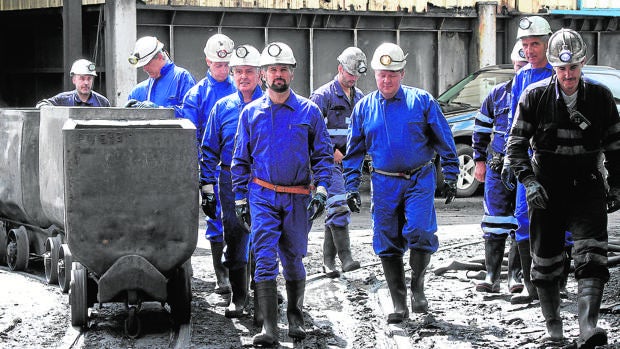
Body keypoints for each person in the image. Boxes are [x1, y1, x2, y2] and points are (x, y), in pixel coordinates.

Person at [506, 28, 619, 347]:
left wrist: (617, 186)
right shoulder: (535, 96)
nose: (568, 75)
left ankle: (587, 328)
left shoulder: (600, 97)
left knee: (591, 258)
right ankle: (553, 329)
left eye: (573, 68)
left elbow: (615, 147)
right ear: (554, 67)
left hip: (587, 186)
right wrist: (528, 182)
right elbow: (515, 145)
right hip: (547, 188)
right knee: (545, 263)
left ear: (583, 64)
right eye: (562, 69)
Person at [342, 43, 459, 323]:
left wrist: (452, 174)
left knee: (420, 228)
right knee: (386, 239)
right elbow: (354, 150)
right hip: (383, 182)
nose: (386, 80)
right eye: (382, 74)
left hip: (419, 177)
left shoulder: (421, 102)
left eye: (392, 74)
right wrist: (350, 185)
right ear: (374, 74)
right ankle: (399, 302)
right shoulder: (363, 109)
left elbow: (444, 138)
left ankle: (417, 287)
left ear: (402, 74)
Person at [231, 42, 333, 346]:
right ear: (263, 74)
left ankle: (294, 317)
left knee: (293, 258)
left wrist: (323, 189)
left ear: (292, 73)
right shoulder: (251, 114)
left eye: (284, 69)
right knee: (263, 259)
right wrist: (239, 199)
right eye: (273, 69)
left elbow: (324, 157)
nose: (278, 74)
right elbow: (240, 160)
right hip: (262, 194)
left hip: (298, 196)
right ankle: (270, 330)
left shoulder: (309, 112)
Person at [200, 44, 264, 318]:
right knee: (236, 237)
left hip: (265, 182)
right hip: (230, 181)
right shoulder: (222, 108)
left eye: (249, 71)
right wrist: (206, 187)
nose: (243, 77)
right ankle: (239, 296)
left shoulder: (272, 105)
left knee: (265, 237)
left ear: (260, 74)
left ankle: (264, 293)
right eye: (238, 72)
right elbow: (209, 149)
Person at [501, 15, 554, 305]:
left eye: (535, 43)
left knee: (557, 218)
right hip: (528, 159)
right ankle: (531, 284)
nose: (530, 50)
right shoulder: (521, 78)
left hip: (555, 159)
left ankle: (555, 283)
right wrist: (512, 159)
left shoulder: (559, 73)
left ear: (548, 43)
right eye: (525, 44)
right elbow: (513, 121)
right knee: (523, 217)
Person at [182, 33, 237, 295]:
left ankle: (245, 273)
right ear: (207, 61)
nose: (223, 70)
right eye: (218, 65)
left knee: (244, 218)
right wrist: (202, 177)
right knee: (216, 218)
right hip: (211, 166)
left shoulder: (243, 88)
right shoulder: (196, 95)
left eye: (227, 65)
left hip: (240, 166)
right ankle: (221, 275)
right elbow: (192, 136)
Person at [472, 42, 527, 294]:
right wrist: (479, 161)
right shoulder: (497, 94)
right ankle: (492, 274)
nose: (522, 70)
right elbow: (481, 128)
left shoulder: (540, 94)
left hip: (526, 166)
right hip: (497, 164)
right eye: (518, 66)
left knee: (520, 220)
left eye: (526, 66)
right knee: (494, 220)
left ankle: (515, 276)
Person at [309, 47, 365, 278]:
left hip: (349, 163)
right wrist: (331, 151)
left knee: (335, 208)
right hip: (327, 163)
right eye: (349, 73)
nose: (352, 78)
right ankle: (346, 257)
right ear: (340, 68)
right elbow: (309, 132)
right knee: (339, 206)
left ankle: (328, 262)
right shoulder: (323, 96)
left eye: (356, 75)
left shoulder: (360, 98)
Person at [127, 36, 196, 116]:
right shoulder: (137, 92)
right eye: (143, 65)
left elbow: (191, 115)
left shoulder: (182, 78)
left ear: (160, 57)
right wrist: (124, 114)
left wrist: (159, 111)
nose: (144, 69)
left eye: (147, 63)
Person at [36, 59, 110, 107]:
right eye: (82, 78)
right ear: (74, 80)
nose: (86, 82)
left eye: (89, 79)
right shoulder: (63, 100)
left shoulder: (103, 102)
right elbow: (41, 104)